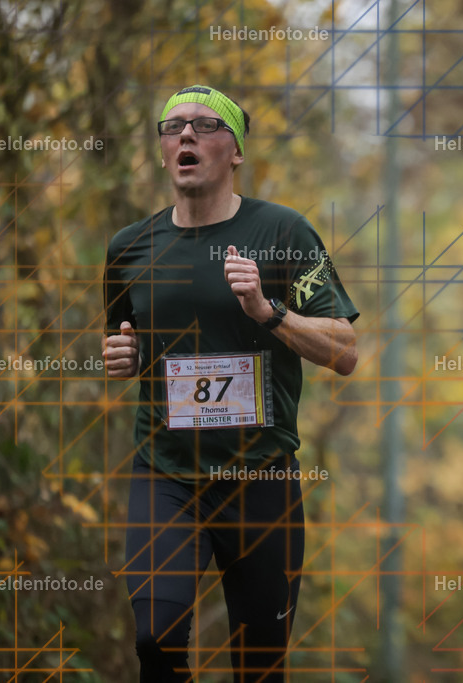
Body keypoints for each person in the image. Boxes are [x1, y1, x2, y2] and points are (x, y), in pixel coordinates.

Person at [102, 84, 359, 682]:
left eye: (203, 125)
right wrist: (127, 356)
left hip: (259, 479)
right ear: (165, 150)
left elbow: (346, 351)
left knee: (261, 667)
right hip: (165, 473)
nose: (185, 134)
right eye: (173, 126)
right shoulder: (129, 249)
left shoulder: (283, 232)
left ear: (236, 150)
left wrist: (270, 313)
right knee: (155, 640)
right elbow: (134, 345)